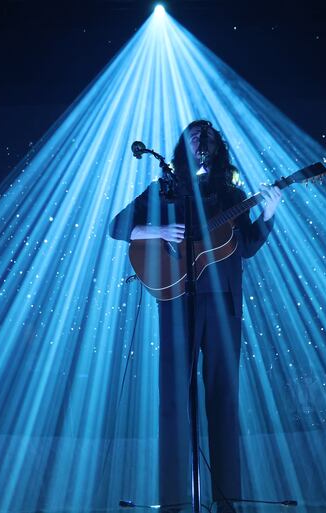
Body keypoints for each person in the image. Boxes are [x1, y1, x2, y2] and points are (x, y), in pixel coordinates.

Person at [109, 120, 282, 513]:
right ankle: (175, 499)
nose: (202, 148)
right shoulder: (165, 190)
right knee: (175, 397)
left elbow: (249, 247)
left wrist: (268, 214)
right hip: (176, 298)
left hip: (223, 300)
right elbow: (117, 227)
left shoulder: (231, 194)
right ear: (182, 150)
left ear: (217, 150)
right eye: (195, 142)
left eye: (208, 142)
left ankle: (227, 500)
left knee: (223, 397)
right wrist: (158, 229)